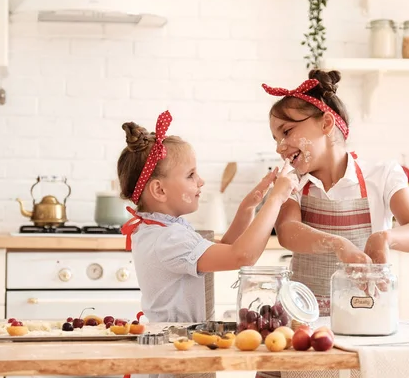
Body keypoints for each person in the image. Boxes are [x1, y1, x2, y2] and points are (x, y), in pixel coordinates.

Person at [260, 70, 409, 378]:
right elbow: (287, 232)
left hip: (366, 325)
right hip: (305, 327)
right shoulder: (291, 181)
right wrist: (339, 244)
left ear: (326, 123)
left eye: (286, 132)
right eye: (275, 138)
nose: (279, 147)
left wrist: (384, 237)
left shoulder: (382, 175)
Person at [117, 111, 297, 378]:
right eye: (191, 174)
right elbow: (241, 256)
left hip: (179, 347)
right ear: (159, 190)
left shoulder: (163, 229)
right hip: (176, 357)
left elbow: (225, 248)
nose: (200, 181)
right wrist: (276, 200)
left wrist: (249, 206)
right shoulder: (168, 239)